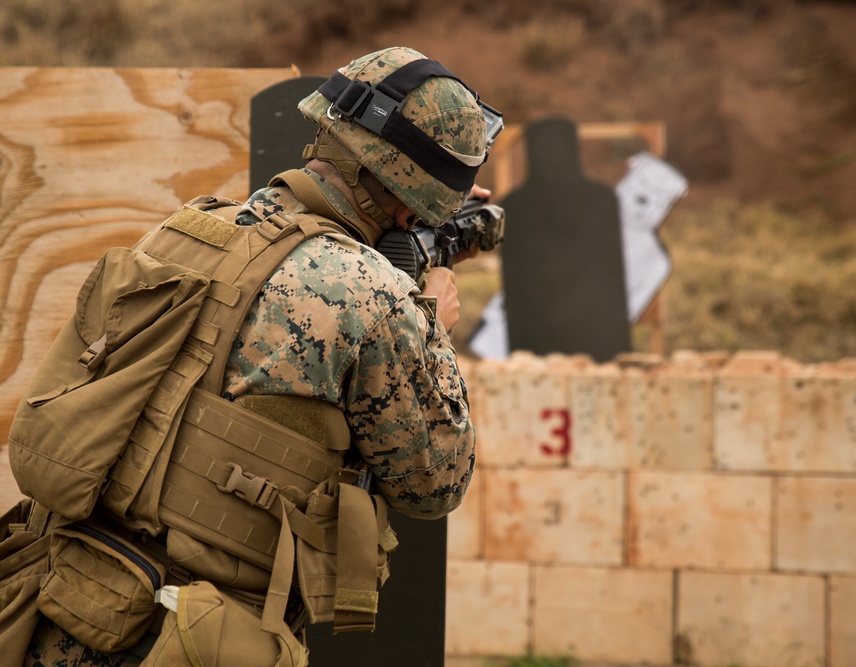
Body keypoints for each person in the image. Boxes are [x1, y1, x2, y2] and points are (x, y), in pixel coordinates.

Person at [19, 45, 499, 665]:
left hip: (62, 597)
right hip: (187, 637)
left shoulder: (184, 229)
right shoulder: (373, 294)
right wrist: (430, 321)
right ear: (411, 203)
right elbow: (436, 483)